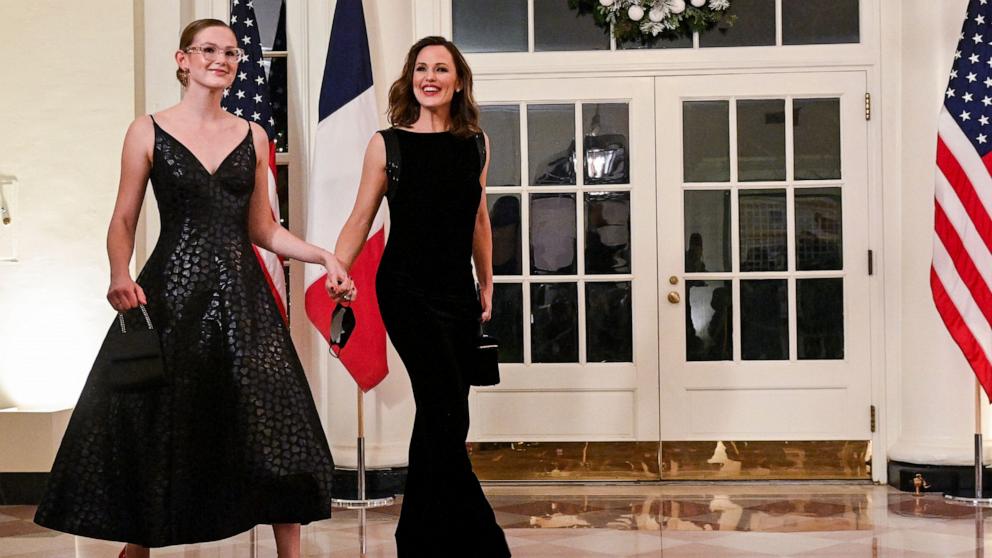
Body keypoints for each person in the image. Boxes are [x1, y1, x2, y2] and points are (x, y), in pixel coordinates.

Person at [34, 19, 350, 558]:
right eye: (208, 50)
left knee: (276, 418)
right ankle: (137, 547)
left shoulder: (251, 134)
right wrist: (118, 273)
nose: (221, 59)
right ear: (183, 60)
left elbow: (262, 229)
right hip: (173, 297)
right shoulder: (146, 130)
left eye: (229, 52)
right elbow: (123, 219)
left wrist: (323, 255)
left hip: (243, 300)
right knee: (159, 423)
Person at [332, 36, 511, 557]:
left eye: (441, 69)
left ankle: (419, 536)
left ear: (458, 82)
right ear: (411, 78)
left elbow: (479, 217)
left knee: (448, 410)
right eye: (421, 68)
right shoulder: (387, 144)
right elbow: (361, 218)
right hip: (405, 290)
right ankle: (481, 541)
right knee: (443, 408)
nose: (429, 77)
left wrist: (487, 279)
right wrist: (337, 268)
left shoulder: (475, 142)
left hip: (456, 291)